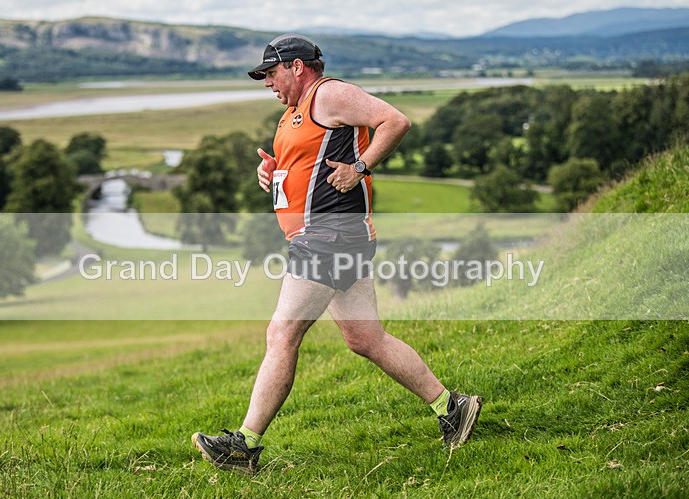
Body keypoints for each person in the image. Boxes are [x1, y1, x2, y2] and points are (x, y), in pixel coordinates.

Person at [192, 34, 481, 475]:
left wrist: (361, 166)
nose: (268, 83)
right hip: (337, 237)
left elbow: (395, 121)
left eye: (271, 73)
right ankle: (452, 407)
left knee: (282, 333)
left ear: (297, 67)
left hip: (329, 237)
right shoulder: (294, 112)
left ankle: (244, 447)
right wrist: (272, 174)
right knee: (365, 338)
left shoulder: (330, 94)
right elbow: (304, 169)